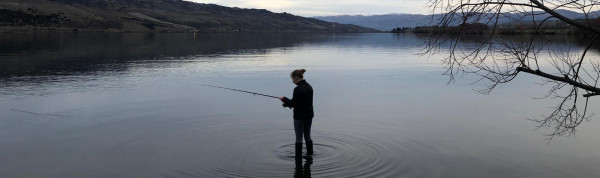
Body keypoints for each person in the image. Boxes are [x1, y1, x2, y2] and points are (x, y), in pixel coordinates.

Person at [280, 69, 314, 158]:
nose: (292, 81)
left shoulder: (297, 89)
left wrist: (284, 99)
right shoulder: (309, 87)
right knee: (307, 136)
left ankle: (298, 159)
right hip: (309, 115)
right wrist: (287, 104)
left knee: (299, 138)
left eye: (292, 79)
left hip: (299, 116)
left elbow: (294, 103)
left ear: (296, 77)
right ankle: (310, 155)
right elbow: (300, 102)